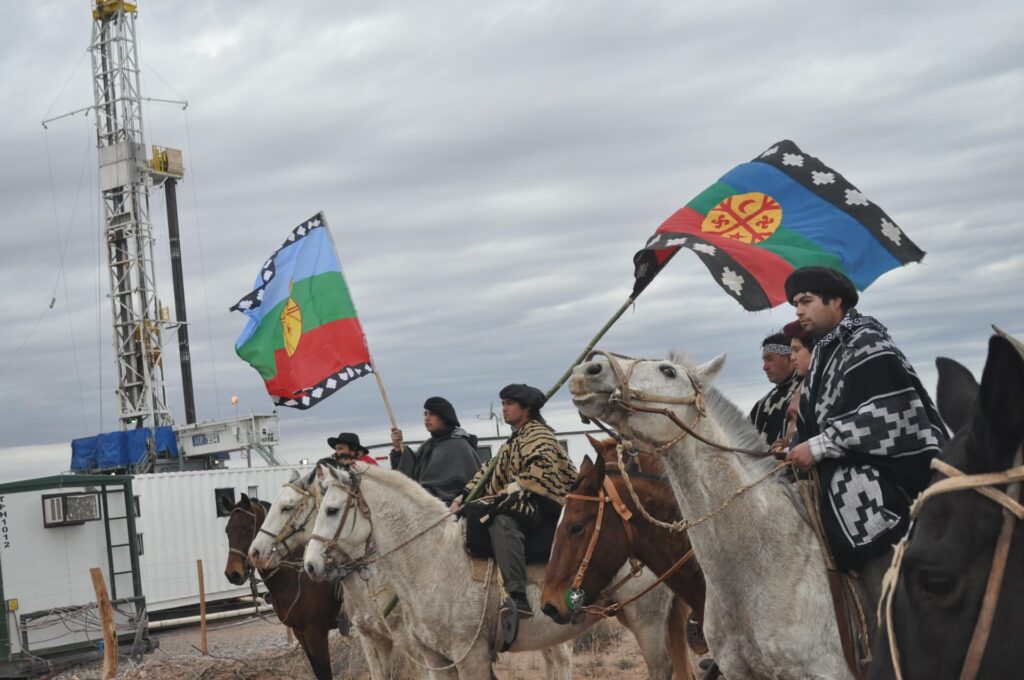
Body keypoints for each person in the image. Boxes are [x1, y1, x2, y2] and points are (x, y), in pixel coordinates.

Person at [782, 266, 946, 569]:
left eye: (806, 301)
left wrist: (818, 447)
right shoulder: (822, 352)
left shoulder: (867, 341)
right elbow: (812, 422)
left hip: (891, 482)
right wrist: (790, 451)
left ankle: (881, 603)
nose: (799, 312)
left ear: (837, 302)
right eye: (795, 305)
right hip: (838, 470)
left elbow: (891, 417)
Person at [452, 384, 577, 620]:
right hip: (522, 498)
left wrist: (512, 488)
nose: (504, 409)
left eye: (509, 404)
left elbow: (543, 469)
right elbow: (486, 474)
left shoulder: (538, 433)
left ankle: (517, 595)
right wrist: (461, 497)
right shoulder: (513, 440)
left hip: (543, 503)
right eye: (503, 404)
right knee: (474, 511)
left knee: (502, 520)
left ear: (526, 408)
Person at [389, 396, 482, 504]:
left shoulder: (459, 446)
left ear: (444, 417)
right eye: (425, 414)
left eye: (432, 414)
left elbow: (458, 490)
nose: (427, 418)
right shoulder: (428, 444)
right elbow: (410, 475)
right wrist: (398, 448)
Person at [770, 320, 815, 457]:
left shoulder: (823, 385)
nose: (792, 357)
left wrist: (788, 450)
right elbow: (796, 432)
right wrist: (782, 445)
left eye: (796, 350)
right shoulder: (804, 385)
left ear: (815, 350)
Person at [749, 331, 800, 445]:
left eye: (770, 359)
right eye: (764, 360)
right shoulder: (762, 404)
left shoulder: (808, 391)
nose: (764, 367)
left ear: (790, 357)